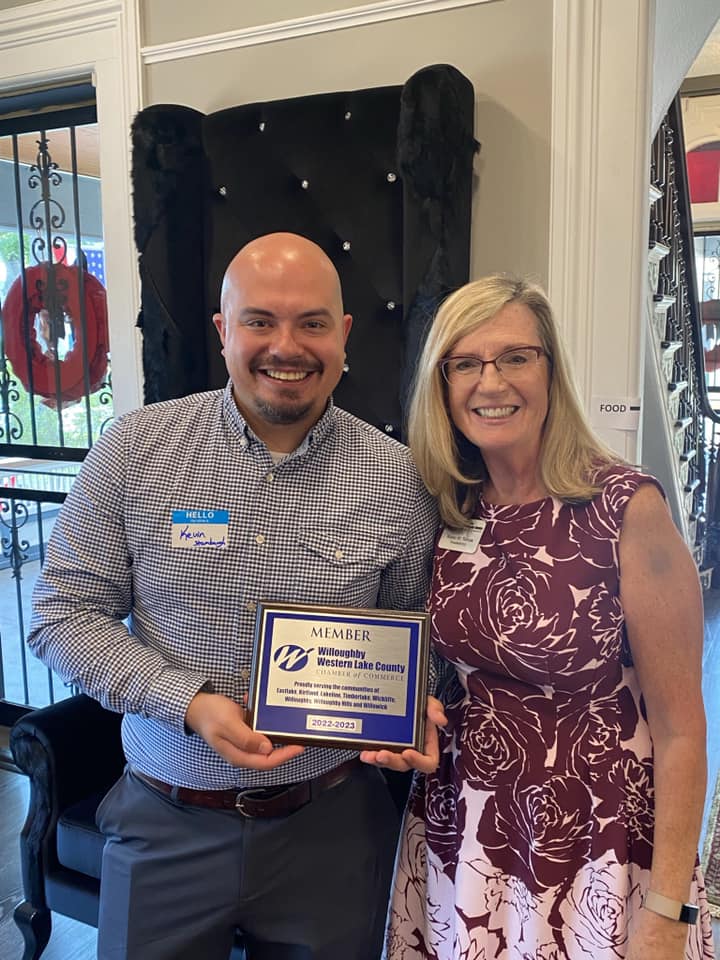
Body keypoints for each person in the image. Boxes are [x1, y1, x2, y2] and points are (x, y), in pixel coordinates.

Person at [28, 232, 445, 960]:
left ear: (344, 335)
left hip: (334, 831)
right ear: (224, 330)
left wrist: (415, 708)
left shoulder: (400, 478)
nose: (287, 346)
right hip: (165, 823)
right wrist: (189, 703)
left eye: (312, 323)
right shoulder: (135, 450)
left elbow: (418, 634)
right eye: (260, 321)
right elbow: (60, 613)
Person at [385, 274, 716, 960]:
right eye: (465, 363)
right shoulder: (450, 504)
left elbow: (683, 731)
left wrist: (667, 911)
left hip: (596, 840)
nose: (491, 382)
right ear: (442, 384)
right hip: (465, 832)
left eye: (515, 357)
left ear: (551, 370)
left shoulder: (626, 508)